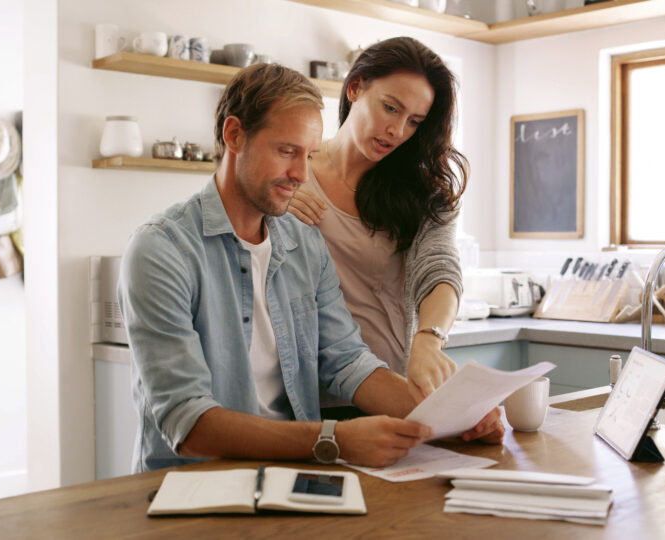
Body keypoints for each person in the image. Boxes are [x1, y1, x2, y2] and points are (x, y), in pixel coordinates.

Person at [119, 63, 503, 472]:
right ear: (234, 136)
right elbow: (188, 422)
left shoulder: (303, 242)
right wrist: (331, 439)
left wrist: (457, 416)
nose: (301, 175)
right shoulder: (161, 249)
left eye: (309, 155)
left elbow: (348, 361)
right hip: (193, 485)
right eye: (287, 152)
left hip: (293, 474)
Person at [287, 37, 468, 404]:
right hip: (300, 399)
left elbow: (440, 268)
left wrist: (430, 339)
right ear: (355, 88)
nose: (398, 131)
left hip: (388, 393)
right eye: (390, 108)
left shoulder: (422, 195)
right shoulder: (290, 175)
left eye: (414, 121)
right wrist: (273, 199)